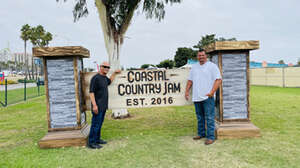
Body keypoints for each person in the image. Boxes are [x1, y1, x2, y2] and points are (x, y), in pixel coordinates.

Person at [185, 49, 222, 145]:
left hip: (208, 97)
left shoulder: (212, 66)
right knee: (200, 117)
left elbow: (218, 80)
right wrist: (186, 91)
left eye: (202, 55)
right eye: (199, 55)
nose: (201, 57)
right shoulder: (194, 67)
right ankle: (201, 133)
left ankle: (210, 137)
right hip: (197, 97)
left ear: (206, 56)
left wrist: (212, 92)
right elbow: (190, 81)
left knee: (209, 118)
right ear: (197, 57)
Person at [88, 62, 120, 149]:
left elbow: (109, 81)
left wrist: (114, 73)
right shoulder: (95, 78)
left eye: (108, 67)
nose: (106, 68)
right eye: (105, 67)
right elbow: (91, 92)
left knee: (99, 123)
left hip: (103, 106)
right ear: (100, 67)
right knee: (95, 124)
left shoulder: (104, 78)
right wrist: (94, 105)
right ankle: (91, 142)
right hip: (97, 106)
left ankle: (97, 139)